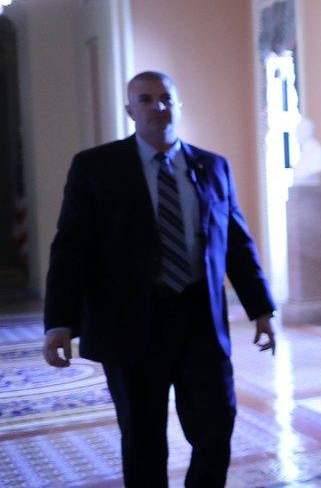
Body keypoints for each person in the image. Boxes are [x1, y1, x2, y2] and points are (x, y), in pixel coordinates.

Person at [42, 71, 276, 486]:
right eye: (146, 99)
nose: (158, 107)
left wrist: (260, 308)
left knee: (216, 426)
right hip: (131, 326)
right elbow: (70, 248)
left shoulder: (212, 166)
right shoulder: (96, 168)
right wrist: (59, 323)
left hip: (199, 321)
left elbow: (237, 242)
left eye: (166, 98)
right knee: (143, 438)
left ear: (178, 105)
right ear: (130, 109)